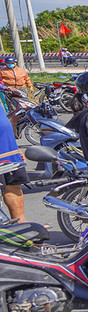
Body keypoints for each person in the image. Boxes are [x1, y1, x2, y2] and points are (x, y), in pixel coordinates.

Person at [0, 90, 25, 221]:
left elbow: (4, 124)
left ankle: (20, 225)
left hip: (9, 150)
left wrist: (15, 148)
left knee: (14, 186)